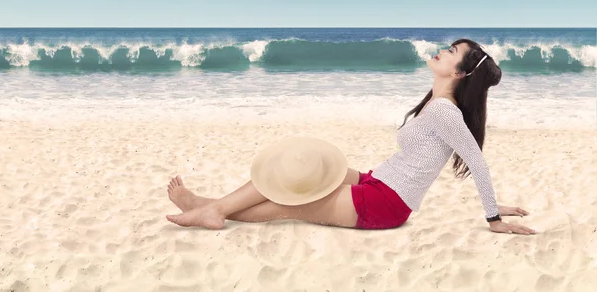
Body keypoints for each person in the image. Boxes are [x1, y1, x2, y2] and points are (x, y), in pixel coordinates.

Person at [166, 38, 536, 235]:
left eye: (452, 51)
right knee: (296, 167)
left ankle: (210, 209)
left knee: (289, 203)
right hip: (375, 182)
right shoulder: (433, 102)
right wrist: (495, 204)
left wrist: (492, 216)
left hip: (386, 205)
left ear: (462, 73)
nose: (442, 51)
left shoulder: (445, 111)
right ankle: (208, 205)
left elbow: (476, 160)